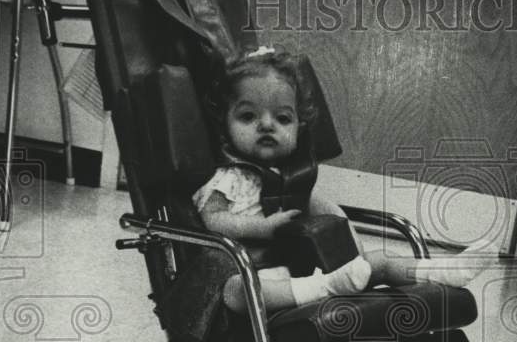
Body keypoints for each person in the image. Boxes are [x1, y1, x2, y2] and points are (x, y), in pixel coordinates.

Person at [194, 46, 486, 317]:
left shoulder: (293, 178)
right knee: (236, 291)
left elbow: (327, 211)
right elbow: (213, 219)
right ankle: (325, 288)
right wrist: (263, 228)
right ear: (224, 127)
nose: (267, 125)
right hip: (257, 270)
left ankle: (441, 271)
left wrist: (350, 244)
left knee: (380, 259)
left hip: (304, 263)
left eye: (283, 119)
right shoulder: (229, 177)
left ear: (300, 128)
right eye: (248, 116)